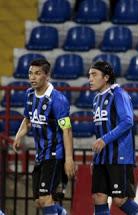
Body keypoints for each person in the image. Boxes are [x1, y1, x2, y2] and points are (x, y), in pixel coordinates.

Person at [13, 59, 75, 215]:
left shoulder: (58, 100)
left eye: (37, 73)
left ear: (47, 75)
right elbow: (28, 120)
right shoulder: (29, 95)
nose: (33, 77)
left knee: (45, 197)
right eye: (30, 73)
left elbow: (67, 130)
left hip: (55, 155)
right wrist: (18, 136)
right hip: (41, 155)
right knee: (40, 201)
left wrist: (68, 159)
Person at [89, 61, 138, 215]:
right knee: (98, 197)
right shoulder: (96, 99)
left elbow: (127, 121)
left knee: (119, 199)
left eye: (94, 75)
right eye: (89, 75)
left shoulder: (119, 94)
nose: (90, 79)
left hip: (119, 156)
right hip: (102, 158)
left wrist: (104, 139)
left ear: (106, 77)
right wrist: (96, 157)